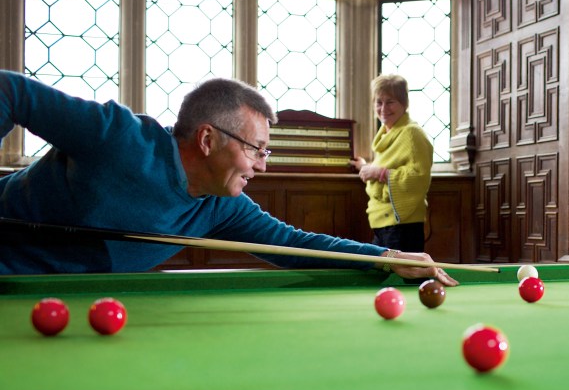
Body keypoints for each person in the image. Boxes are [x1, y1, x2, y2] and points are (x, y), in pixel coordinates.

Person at [0, 71, 458, 285]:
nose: (263, 165)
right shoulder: (117, 136)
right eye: (256, 149)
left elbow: (296, 245)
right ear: (206, 140)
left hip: (60, 298)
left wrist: (385, 254)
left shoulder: (220, 203)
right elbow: (11, 91)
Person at [349, 74, 432, 252]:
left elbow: (419, 177)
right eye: (379, 102)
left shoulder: (412, 134)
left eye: (390, 101)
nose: (383, 108)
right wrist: (365, 167)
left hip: (402, 225)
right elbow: (389, 166)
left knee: (401, 277)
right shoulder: (387, 135)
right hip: (383, 223)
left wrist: (378, 172)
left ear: (404, 103)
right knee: (384, 275)